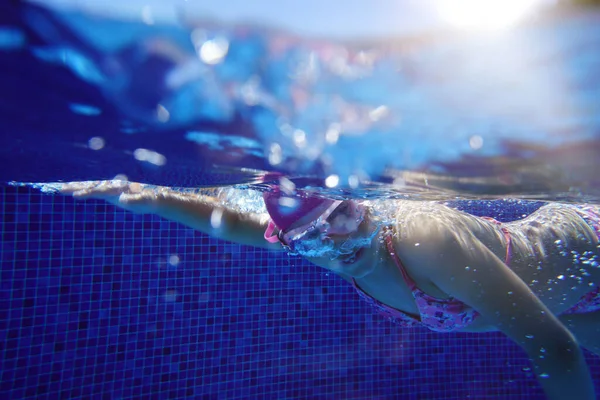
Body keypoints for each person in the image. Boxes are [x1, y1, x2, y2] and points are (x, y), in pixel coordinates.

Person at [56, 179, 600, 400]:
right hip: (572, 303)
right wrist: (146, 195)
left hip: (589, 252)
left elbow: (551, 349)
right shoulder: (317, 245)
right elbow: (229, 220)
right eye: (317, 233)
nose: (344, 237)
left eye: (347, 211)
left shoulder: (424, 238)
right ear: (293, 244)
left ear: (363, 201)